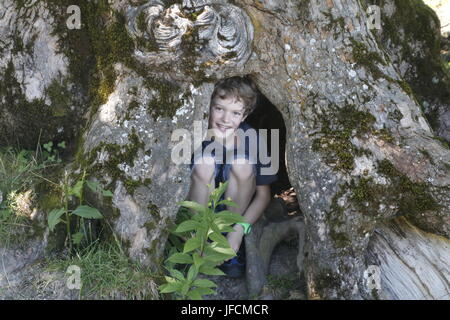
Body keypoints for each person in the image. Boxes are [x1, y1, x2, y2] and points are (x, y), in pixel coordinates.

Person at [188, 76, 278, 277]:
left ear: (245, 116)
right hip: (201, 208)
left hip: (235, 212)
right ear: (208, 105)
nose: (225, 119)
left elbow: (264, 195)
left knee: (241, 164)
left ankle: (229, 241)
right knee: (205, 163)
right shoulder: (194, 133)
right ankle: (200, 239)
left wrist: (238, 231)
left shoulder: (254, 139)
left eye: (235, 113)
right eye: (219, 108)